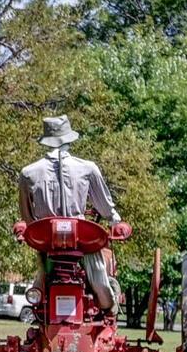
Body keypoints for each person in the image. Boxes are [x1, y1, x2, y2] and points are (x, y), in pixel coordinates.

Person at [18, 115, 119, 312]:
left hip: (47, 240)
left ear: (46, 140)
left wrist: (31, 226)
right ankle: (107, 303)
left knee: (41, 276)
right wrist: (114, 219)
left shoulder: (28, 172)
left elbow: (26, 213)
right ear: (69, 139)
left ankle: (40, 294)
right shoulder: (87, 168)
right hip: (80, 238)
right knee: (100, 279)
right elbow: (104, 206)